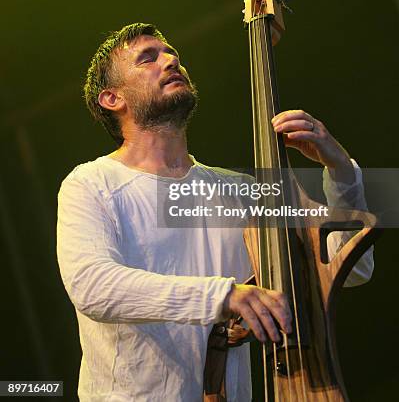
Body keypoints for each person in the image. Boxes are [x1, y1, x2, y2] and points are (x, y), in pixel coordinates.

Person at [57, 22, 374, 402]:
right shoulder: (92, 183)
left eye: (171, 52)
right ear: (112, 98)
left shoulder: (240, 193)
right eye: (148, 58)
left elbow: (353, 267)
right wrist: (223, 296)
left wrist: (340, 171)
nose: (171, 60)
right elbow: (93, 287)